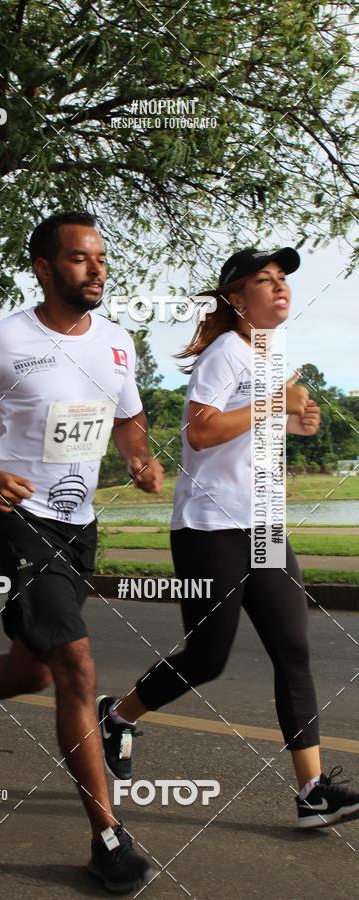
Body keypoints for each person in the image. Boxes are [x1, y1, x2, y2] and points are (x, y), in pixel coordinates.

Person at [0, 211, 164, 892]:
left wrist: (138, 457)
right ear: (45, 270)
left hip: (78, 522)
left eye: (102, 258)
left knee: (36, 670)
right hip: (17, 515)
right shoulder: (0, 340)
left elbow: (128, 415)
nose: (97, 269)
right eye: (80, 259)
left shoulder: (116, 343)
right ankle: (107, 837)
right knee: (77, 666)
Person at [97, 247, 359, 830]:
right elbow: (203, 429)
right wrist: (275, 406)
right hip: (210, 529)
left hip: (264, 524)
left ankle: (312, 791)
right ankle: (118, 715)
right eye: (264, 281)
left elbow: (258, 429)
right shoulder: (225, 352)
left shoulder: (274, 351)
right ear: (237, 300)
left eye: (283, 279)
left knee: (294, 651)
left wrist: (297, 421)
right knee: (208, 658)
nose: (280, 287)